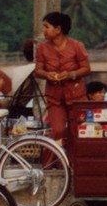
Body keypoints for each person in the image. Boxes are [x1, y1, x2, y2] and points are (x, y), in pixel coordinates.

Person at [35, 11, 90, 145]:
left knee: (76, 130)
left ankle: (74, 163)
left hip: (76, 96)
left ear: (58, 29)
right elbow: (38, 71)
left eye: (46, 27)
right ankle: (54, 163)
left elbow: (86, 68)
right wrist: (47, 75)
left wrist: (71, 74)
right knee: (58, 130)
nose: (44, 30)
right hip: (54, 98)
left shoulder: (77, 46)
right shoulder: (42, 48)